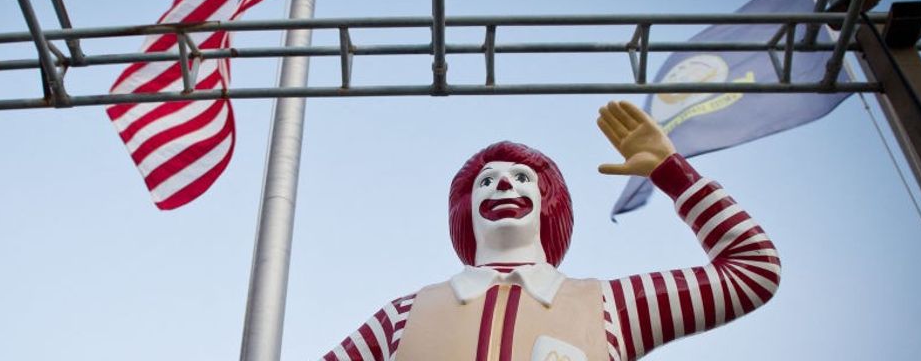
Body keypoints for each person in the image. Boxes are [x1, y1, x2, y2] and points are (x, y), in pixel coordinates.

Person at [320, 101, 781, 361]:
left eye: (522, 178)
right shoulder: (403, 316)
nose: (504, 184)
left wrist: (673, 173)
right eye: (486, 181)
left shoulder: (614, 305)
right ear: (465, 208)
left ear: (549, 202)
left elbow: (753, 271)